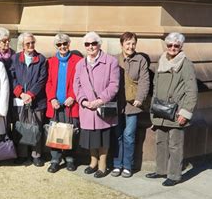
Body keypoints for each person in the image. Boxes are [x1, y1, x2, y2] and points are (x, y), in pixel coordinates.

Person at [146, 32, 198, 187]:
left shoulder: (186, 64)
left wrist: (185, 112)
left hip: (176, 111)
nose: (173, 48)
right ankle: (161, 170)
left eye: (176, 45)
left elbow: (192, 91)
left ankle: (174, 175)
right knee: (160, 142)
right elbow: (155, 88)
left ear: (181, 47)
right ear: (166, 45)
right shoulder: (161, 61)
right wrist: (153, 111)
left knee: (175, 145)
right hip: (160, 110)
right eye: (170, 45)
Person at [74, 32, 119, 178]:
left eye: (94, 43)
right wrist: (83, 101)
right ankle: (93, 162)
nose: (91, 47)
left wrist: (100, 100)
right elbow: (77, 85)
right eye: (87, 44)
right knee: (91, 138)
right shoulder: (80, 64)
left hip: (102, 107)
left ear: (99, 45)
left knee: (103, 138)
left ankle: (103, 164)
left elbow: (114, 85)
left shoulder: (111, 61)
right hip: (87, 108)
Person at [111, 32, 150, 178]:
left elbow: (145, 81)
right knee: (117, 135)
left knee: (129, 135)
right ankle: (116, 164)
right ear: (122, 44)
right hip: (116, 103)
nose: (130, 46)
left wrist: (140, 98)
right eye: (127, 43)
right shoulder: (114, 59)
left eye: (133, 43)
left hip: (133, 104)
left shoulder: (140, 60)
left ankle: (127, 165)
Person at [45, 33, 82, 173]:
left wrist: (73, 96)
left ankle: (70, 159)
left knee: (71, 132)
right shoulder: (51, 61)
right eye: (59, 44)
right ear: (56, 46)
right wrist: (52, 98)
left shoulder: (78, 60)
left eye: (64, 43)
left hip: (70, 104)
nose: (62, 47)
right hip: (55, 104)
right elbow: (48, 82)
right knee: (54, 131)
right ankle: (55, 159)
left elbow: (80, 82)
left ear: (69, 44)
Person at [10, 32, 48, 167]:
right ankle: (22, 154)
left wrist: (31, 94)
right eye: (28, 43)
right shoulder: (15, 58)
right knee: (21, 126)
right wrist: (21, 94)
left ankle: (36, 155)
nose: (31, 45)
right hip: (20, 100)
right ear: (22, 45)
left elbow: (42, 80)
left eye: (32, 42)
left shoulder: (41, 59)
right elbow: (12, 78)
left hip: (37, 100)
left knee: (36, 126)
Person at [0, 27, 16, 131]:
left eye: (8, 40)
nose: (7, 43)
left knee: (10, 119)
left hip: (12, 90)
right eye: (4, 41)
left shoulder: (14, 54)